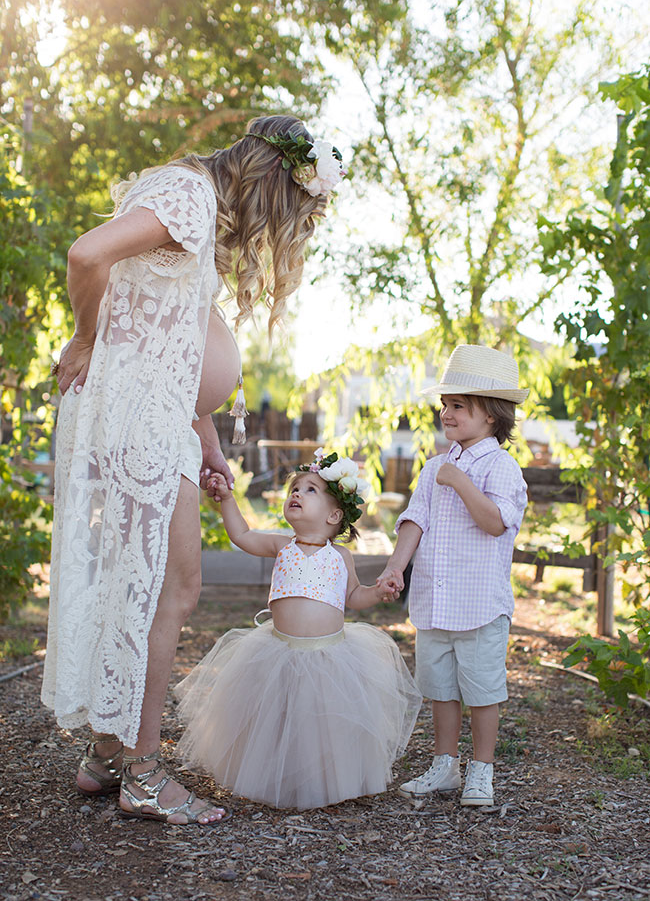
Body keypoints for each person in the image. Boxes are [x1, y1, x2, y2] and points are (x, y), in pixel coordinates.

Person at [41, 115, 345, 825]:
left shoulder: (192, 203)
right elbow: (87, 256)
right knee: (170, 589)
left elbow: (175, 338)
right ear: (271, 182)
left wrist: (206, 440)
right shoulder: (188, 193)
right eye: (290, 213)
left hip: (165, 420)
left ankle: (108, 754)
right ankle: (142, 773)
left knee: (144, 586)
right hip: (139, 418)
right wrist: (85, 340)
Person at [174, 450, 422, 810]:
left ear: (334, 515)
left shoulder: (341, 557)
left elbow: (354, 596)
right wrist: (227, 499)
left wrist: (378, 592)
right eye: (295, 488)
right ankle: (275, 777)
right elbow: (242, 535)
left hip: (329, 655)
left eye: (310, 490)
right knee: (276, 719)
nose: (297, 493)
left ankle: (321, 780)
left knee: (321, 723)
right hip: (278, 650)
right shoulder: (280, 546)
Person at [377, 345, 528, 807]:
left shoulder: (502, 467)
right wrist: (394, 567)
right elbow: (414, 521)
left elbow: (496, 522)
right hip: (434, 600)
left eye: (457, 405)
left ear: (491, 415)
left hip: (478, 604)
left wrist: (461, 483)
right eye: (444, 404)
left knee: (482, 691)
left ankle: (481, 770)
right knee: (441, 689)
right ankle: (445, 764)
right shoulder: (433, 467)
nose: (446, 412)